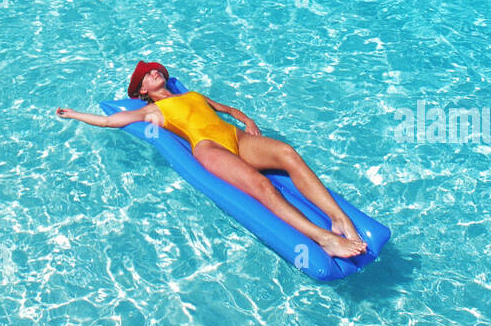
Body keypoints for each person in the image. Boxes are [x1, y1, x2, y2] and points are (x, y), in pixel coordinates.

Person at [56, 59, 367, 259]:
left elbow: (227, 110)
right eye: (147, 75)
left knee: (288, 153)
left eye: (156, 70)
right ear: (142, 91)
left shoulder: (193, 96)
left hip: (236, 138)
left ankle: (340, 218)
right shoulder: (152, 111)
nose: (154, 72)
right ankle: (323, 238)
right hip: (209, 149)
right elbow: (111, 121)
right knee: (263, 186)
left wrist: (248, 121)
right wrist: (73, 114)